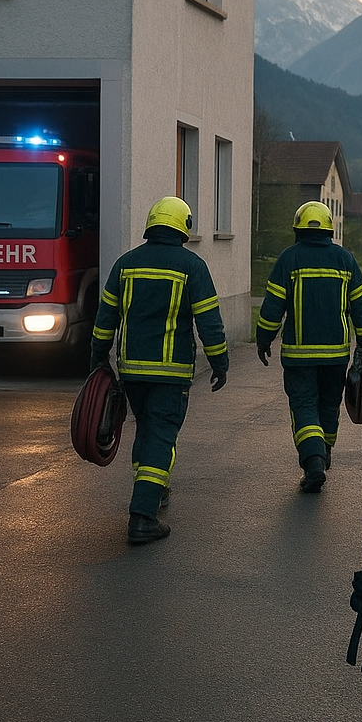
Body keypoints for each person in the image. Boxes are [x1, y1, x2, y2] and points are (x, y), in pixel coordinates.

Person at [89, 196, 228, 545]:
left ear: (151, 224)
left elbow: (106, 317)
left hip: (132, 372)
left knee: (147, 430)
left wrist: (98, 357)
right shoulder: (191, 266)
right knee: (162, 436)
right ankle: (142, 516)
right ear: (185, 226)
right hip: (171, 374)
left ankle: (155, 489)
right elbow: (209, 321)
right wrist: (219, 362)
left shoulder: (126, 264)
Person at [255, 200, 362, 492]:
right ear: (329, 229)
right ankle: (324, 451)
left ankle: (313, 462)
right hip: (335, 355)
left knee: (304, 405)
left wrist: (263, 338)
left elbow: (273, 306)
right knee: (329, 405)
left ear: (297, 228)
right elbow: (361, 307)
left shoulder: (289, 259)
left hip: (298, 356)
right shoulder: (345, 260)